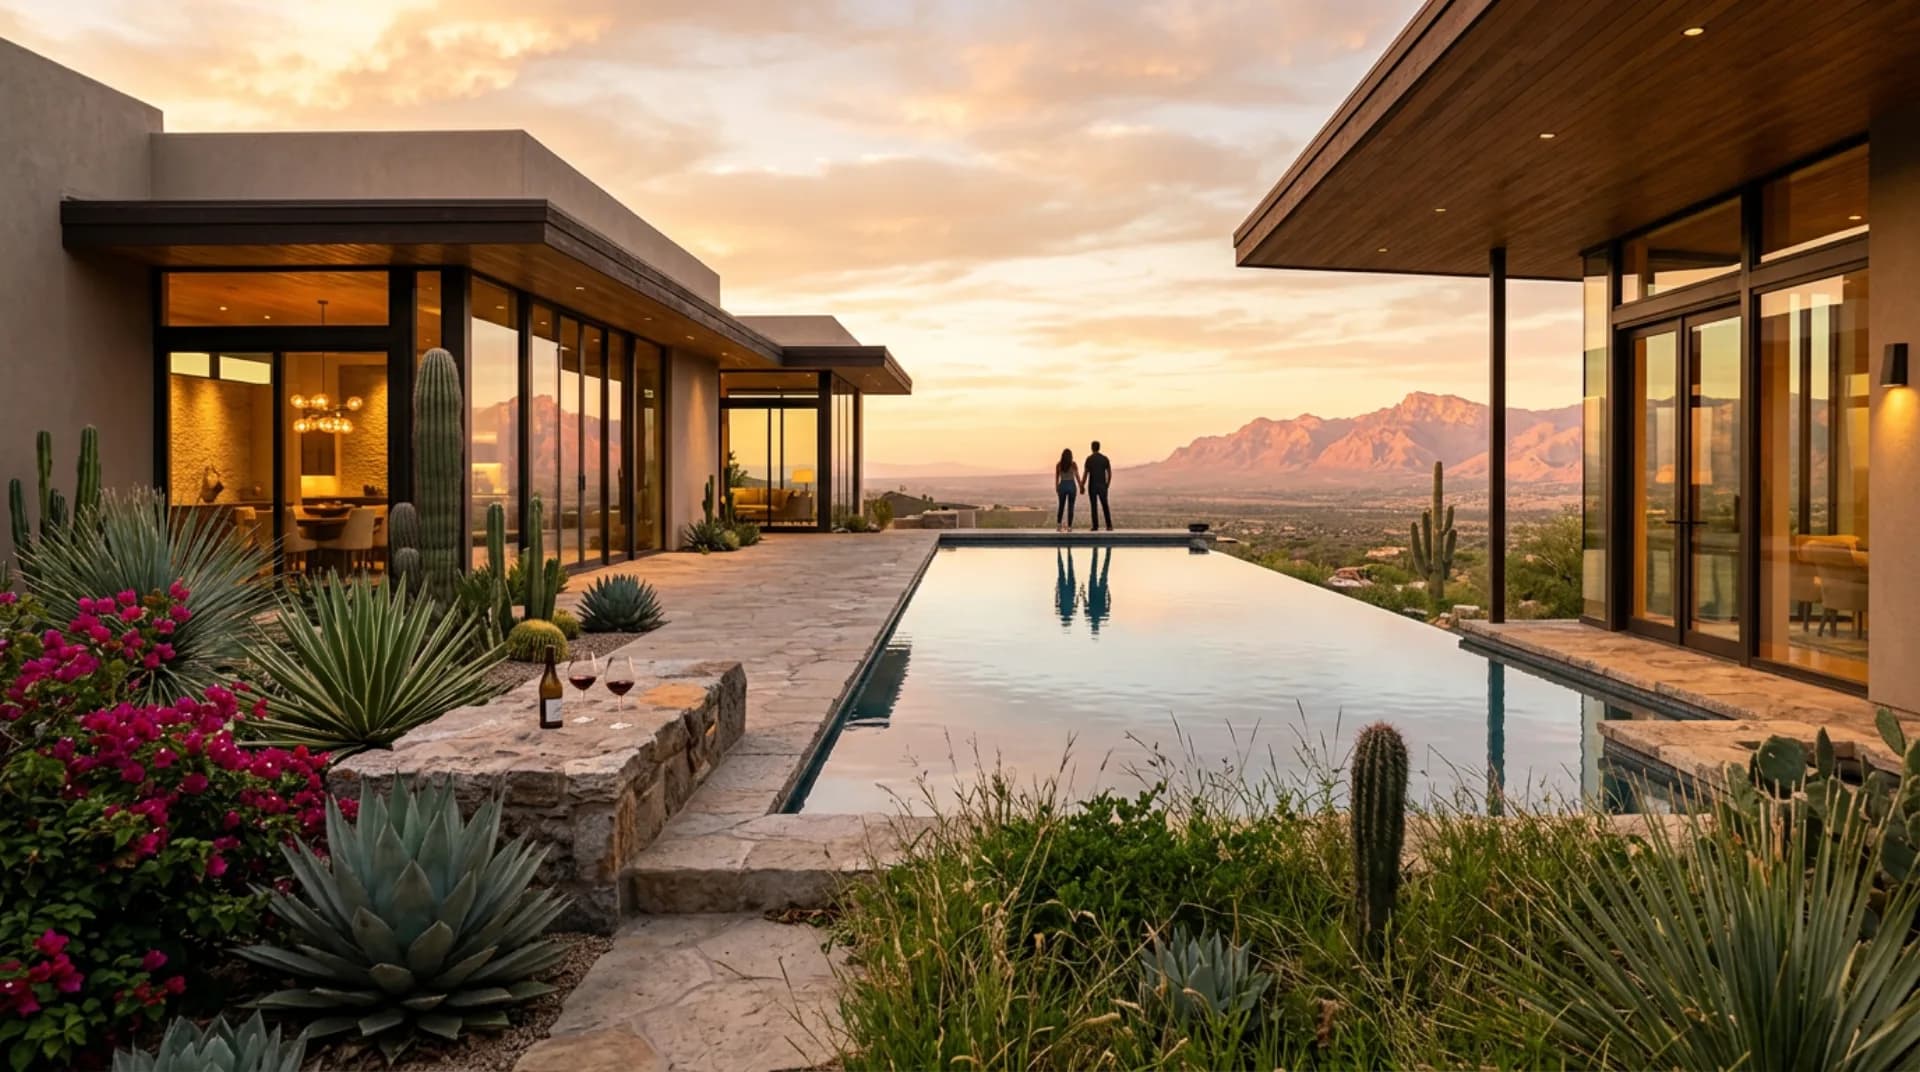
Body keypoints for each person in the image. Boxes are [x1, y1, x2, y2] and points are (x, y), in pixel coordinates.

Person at [1084, 440, 1113, 531]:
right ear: (1099, 447)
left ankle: (1095, 526)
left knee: (1093, 506)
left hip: (1092, 485)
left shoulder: (1089, 459)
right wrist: (1107, 484)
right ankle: (1109, 525)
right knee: (1105, 505)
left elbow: (1086, 473)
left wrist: (1082, 485)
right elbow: (1109, 472)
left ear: (1092, 448)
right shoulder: (1105, 459)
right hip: (1102, 485)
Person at [1054, 448, 1081, 532]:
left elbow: (1057, 477)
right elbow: (1077, 476)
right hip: (1071, 485)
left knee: (1061, 506)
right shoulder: (1073, 464)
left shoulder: (1059, 464)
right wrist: (1081, 486)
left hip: (1062, 485)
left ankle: (1058, 525)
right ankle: (1069, 526)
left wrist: (1057, 487)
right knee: (1071, 506)